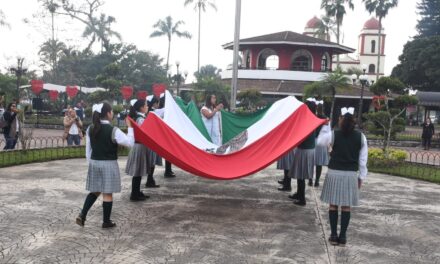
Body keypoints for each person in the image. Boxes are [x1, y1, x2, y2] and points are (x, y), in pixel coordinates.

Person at [76, 102, 134, 228]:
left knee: (95, 190)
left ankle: (83, 214)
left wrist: (90, 163)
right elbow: (130, 143)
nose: (112, 113)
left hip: (95, 162)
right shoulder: (113, 130)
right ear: (108, 113)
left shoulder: (91, 128)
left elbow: (88, 150)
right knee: (107, 193)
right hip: (108, 163)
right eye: (111, 111)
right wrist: (130, 128)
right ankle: (106, 221)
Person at [318, 107, 368, 246]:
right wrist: (361, 177)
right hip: (351, 174)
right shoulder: (361, 137)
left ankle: (333, 235)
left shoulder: (333, 135)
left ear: (340, 119)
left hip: (334, 172)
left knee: (333, 205)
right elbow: (363, 161)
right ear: (354, 121)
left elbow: (319, 142)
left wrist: (326, 129)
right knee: (346, 207)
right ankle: (343, 237)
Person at [125, 99, 157, 202]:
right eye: (146, 105)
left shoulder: (140, 117)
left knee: (138, 171)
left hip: (140, 146)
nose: (147, 107)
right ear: (141, 108)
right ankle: (134, 194)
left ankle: (137, 192)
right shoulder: (140, 119)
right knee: (137, 172)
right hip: (139, 146)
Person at [288, 99, 317, 206]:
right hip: (306, 149)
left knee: (302, 175)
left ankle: (302, 198)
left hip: (305, 149)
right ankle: (299, 194)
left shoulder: (308, 119)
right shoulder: (312, 118)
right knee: (301, 174)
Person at [311, 100, 329, 187]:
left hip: (314, 141)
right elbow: (328, 132)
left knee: (311, 162)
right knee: (319, 163)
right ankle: (317, 181)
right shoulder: (326, 119)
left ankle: (310, 179)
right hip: (322, 142)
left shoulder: (313, 117)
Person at [145, 95, 162, 187]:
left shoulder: (149, 112)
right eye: (157, 103)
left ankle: (150, 179)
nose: (158, 105)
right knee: (151, 162)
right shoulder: (153, 113)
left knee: (151, 162)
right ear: (155, 103)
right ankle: (150, 180)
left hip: (150, 140)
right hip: (152, 140)